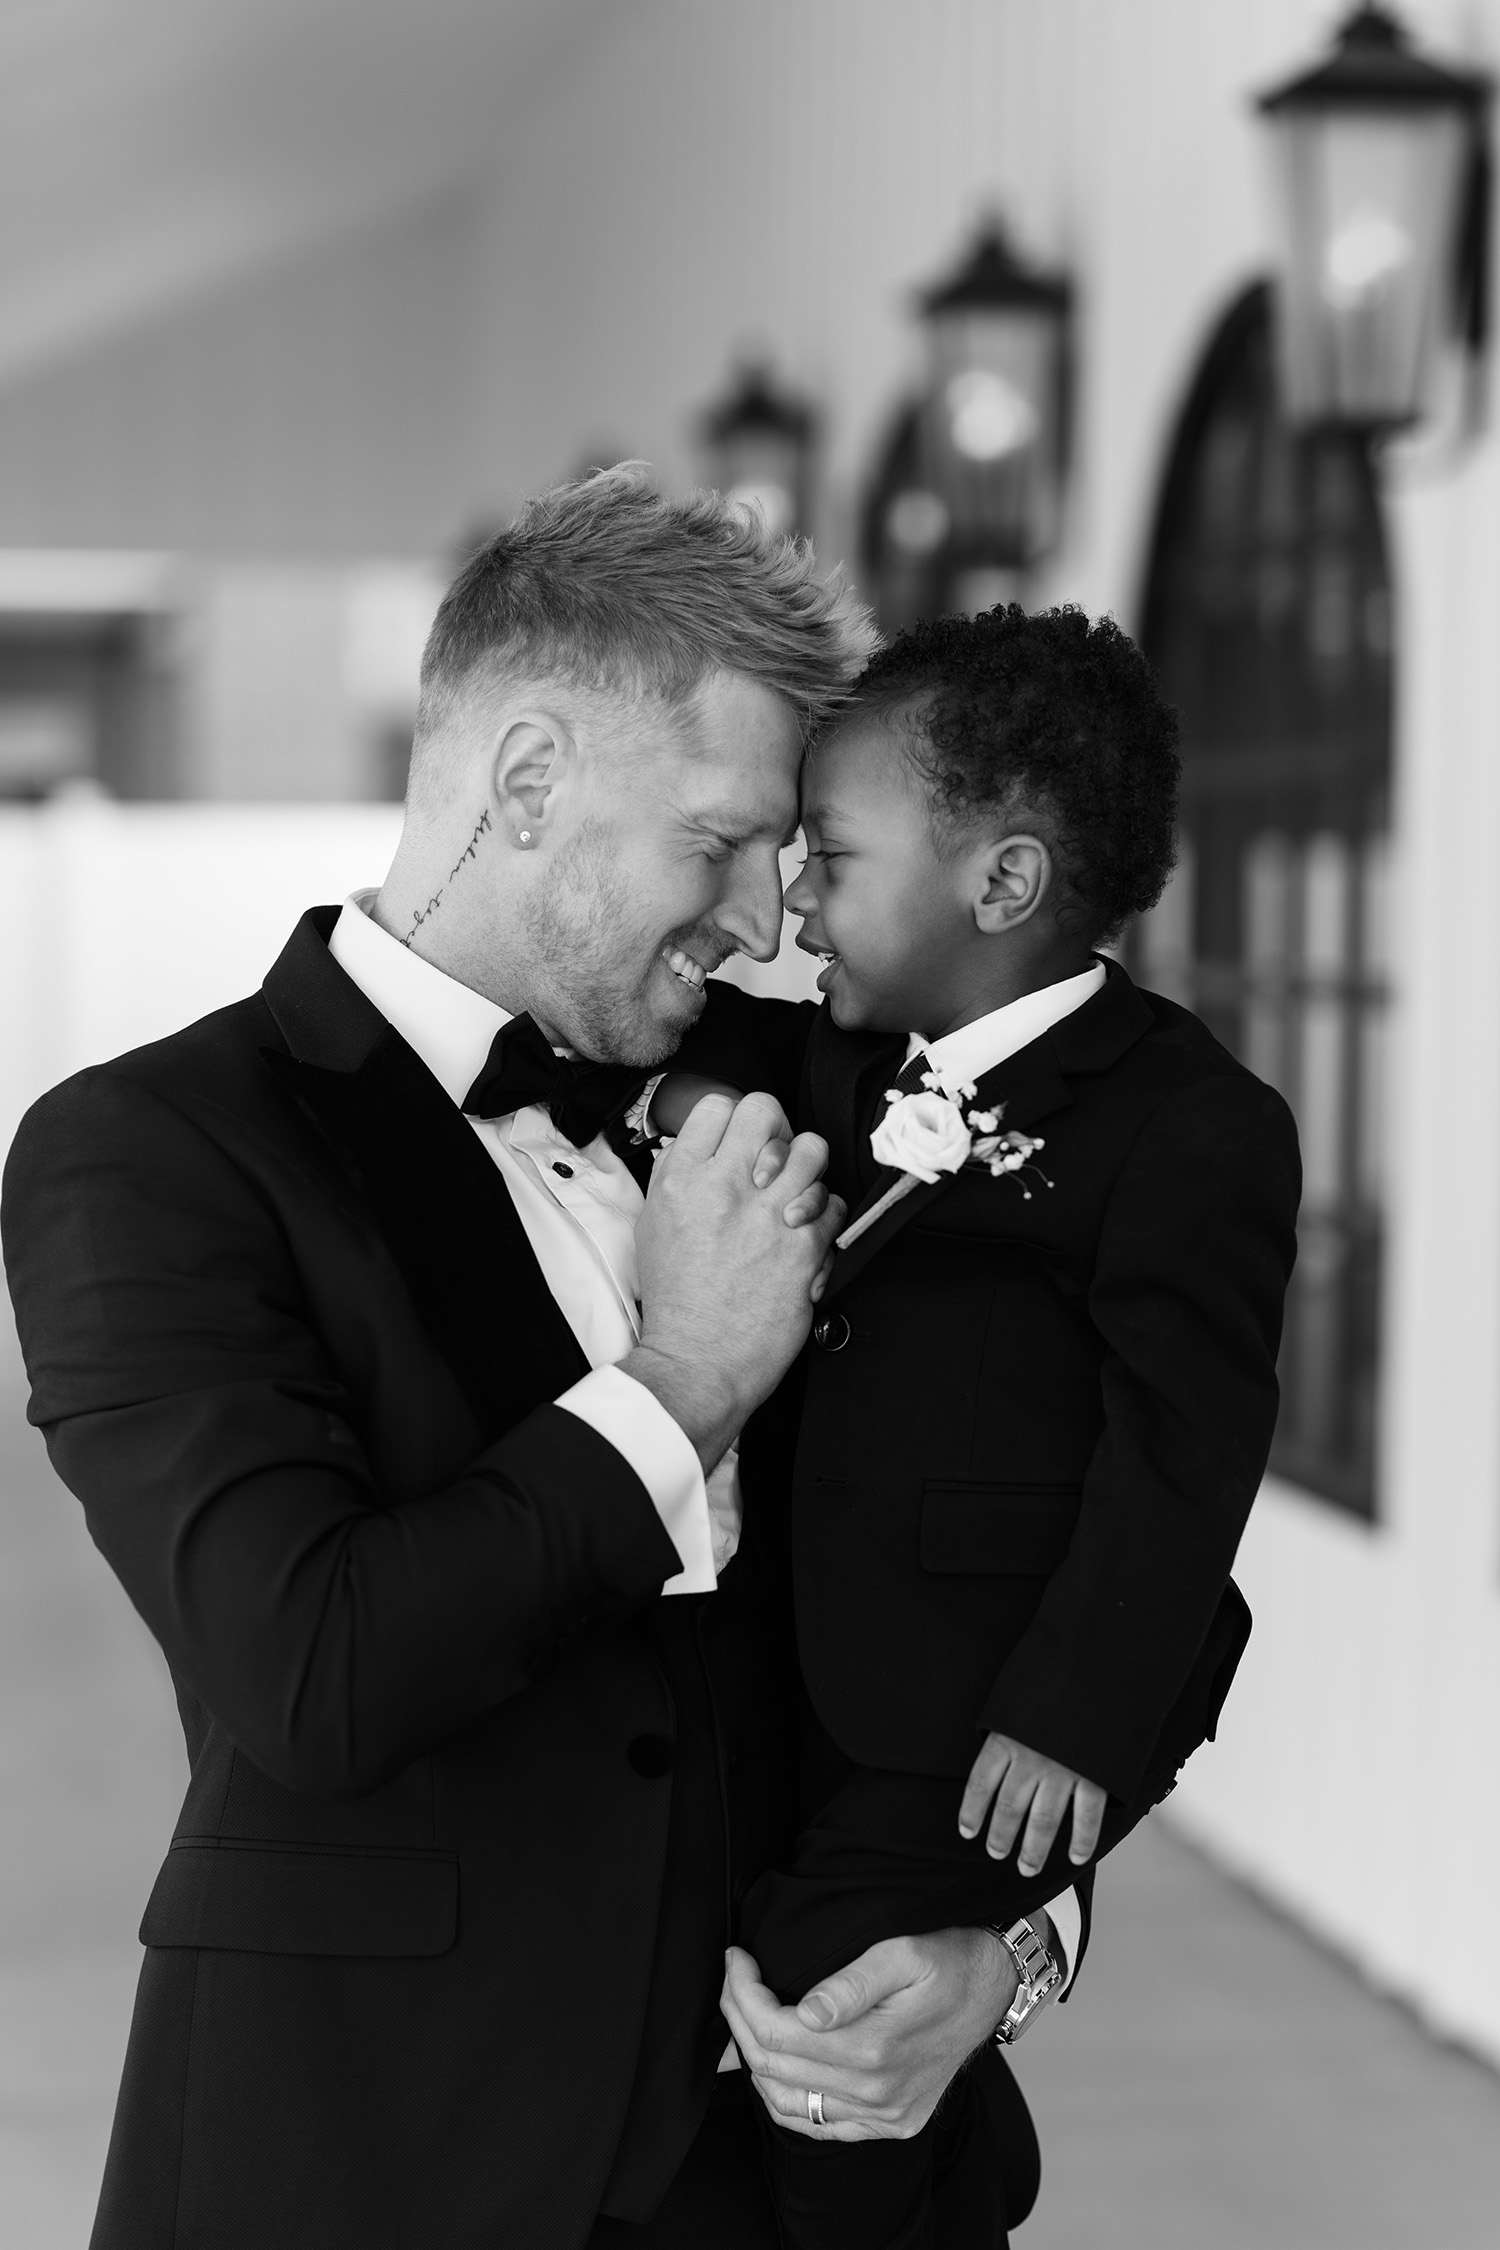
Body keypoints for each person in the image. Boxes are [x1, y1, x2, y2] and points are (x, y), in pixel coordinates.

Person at [2, 474, 1068, 2250]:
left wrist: (1015, 1947)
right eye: (719, 841)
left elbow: (1116, 1517)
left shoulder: (845, 1094)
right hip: (375, 2158)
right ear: (523, 786)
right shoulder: (150, 1151)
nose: (764, 921)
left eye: (789, 860)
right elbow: (313, 1667)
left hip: (828, 2190)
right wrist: (684, 1381)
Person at [658, 604, 1303, 2249]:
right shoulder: (835, 1053)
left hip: (973, 1720)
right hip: (788, 1664)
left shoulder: (1188, 1124)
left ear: (999, 885)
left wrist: (1076, 1713)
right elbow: (647, 1044)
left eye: (832, 854)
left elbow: (1186, 1448)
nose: (795, 893)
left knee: (832, 2028)